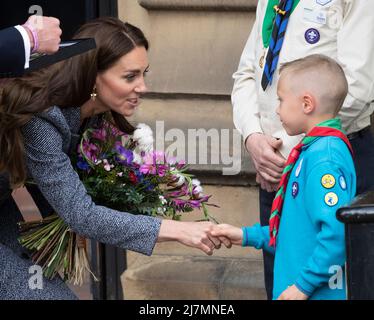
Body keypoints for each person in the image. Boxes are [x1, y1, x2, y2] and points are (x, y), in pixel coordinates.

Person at [0, 17, 229, 300]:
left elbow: (61, 201)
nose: (142, 87)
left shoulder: (91, 119)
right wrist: (180, 230)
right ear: (93, 76)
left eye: (144, 73)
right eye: (130, 76)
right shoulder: (42, 118)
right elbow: (81, 214)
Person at [232, 0, 374, 298]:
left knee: (335, 275)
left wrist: (294, 154)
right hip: (271, 162)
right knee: (283, 272)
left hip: (324, 154)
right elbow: (248, 72)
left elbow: (356, 84)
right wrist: (254, 138)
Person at [212, 54, 356, 300]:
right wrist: (246, 235)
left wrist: (303, 286)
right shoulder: (313, 150)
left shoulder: (325, 158)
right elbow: (294, 231)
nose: (277, 110)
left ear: (306, 104)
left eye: (280, 100)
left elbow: (336, 234)